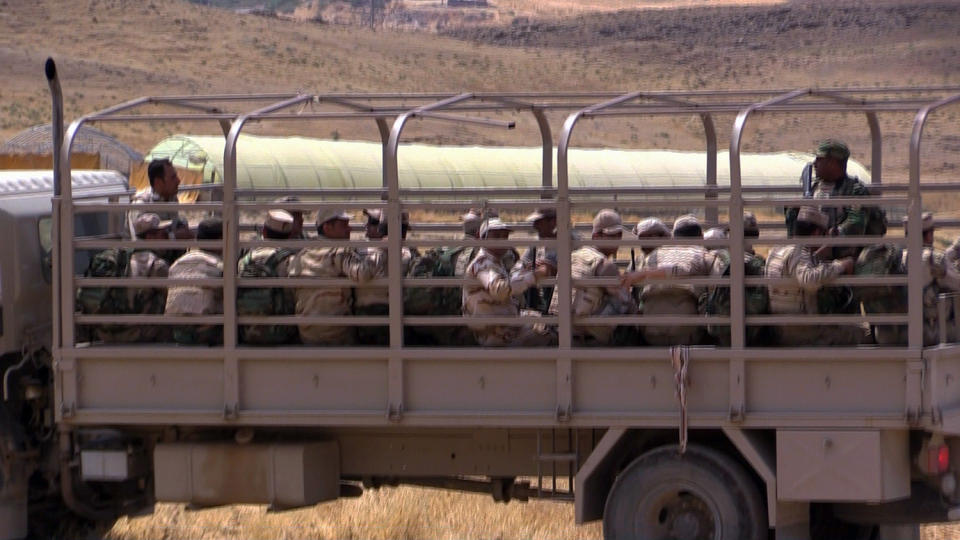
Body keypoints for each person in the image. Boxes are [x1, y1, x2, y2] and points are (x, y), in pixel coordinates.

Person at [766, 206, 863, 346]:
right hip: (805, 333)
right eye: (823, 235)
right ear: (817, 233)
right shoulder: (799, 252)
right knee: (859, 332)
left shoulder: (778, 249)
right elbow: (808, 279)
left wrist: (818, 256)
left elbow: (796, 270)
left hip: (780, 330)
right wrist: (841, 265)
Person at [287, 208, 382, 346]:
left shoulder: (303, 253)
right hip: (338, 334)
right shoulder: (337, 251)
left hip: (307, 334)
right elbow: (363, 273)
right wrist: (381, 248)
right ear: (327, 227)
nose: (349, 229)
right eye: (343, 225)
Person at [863, 213, 960, 345]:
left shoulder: (895, 259)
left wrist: (953, 252)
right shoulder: (933, 260)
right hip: (923, 335)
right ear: (928, 235)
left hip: (886, 336)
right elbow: (955, 282)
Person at [549, 209, 637, 346]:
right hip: (586, 339)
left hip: (560, 333)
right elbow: (629, 307)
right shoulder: (606, 266)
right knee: (624, 301)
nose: (616, 239)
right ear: (596, 236)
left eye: (618, 234)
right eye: (610, 235)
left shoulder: (573, 256)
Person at [785, 140, 883, 259]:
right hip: (812, 248)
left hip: (842, 253)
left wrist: (833, 236)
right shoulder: (815, 187)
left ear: (833, 163)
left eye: (819, 159)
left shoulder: (855, 190)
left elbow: (855, 223)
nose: (814, 163)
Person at [462, 218, 553, 346]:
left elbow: (505, 284)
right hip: (496, 334)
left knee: (543, 320)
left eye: (505, 236)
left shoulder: (494, 261)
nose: (502, 241)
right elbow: (499, 290)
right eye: (496, 236)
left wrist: (524, 273)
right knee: (548, 333)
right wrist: (535, 276)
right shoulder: (483, 263)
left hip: (502, 327)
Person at [85, 213, 172, 343]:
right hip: (138, 335)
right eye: (163, 234)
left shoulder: (118, 256)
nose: (168, 238)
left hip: (105, 334)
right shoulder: (156, 265)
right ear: (150, 237)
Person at [633, 214, 714, 346]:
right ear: (701, 237)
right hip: (689, 335)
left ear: (674, 237)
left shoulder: (652, 256)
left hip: (650, 334)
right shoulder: (703, 255)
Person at [701, 212, 770, 346]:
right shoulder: (759, 264)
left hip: (717, 334)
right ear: (756, 236)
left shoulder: (715, 259)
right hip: (751, 336)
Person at [237, 210, 299, 345]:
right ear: (289, 236)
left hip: (247, 333)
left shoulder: (245, 260)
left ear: (264, 231)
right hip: (281, 334)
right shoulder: (290, 260)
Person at [354, 211, 416, 346]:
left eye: (372, 222)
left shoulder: (359, 252)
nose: (367, 226)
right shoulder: (409, 255)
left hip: (363, 323)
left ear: (380, 228)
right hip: (394, 322)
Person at [166, 218, 225, 346]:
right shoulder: (220, 266)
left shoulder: (177, 263)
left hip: (178, 334)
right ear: (221, 239)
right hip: (207, 335)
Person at [128, 158, 191, 242]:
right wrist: (173, 236)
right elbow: (145, 240)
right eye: (173, 177)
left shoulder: (172, 198)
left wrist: (181, 227)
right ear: (158, 182)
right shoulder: (142, 203)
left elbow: (173, 224)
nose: (178, 181)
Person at [519, 207, 558, 313]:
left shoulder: (572, 242)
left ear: (553, 222)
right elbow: (521, 265)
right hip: (539, 298)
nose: (535, 226)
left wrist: (554, 270)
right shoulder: (537, 243)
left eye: (539, 222)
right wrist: (529, 267)